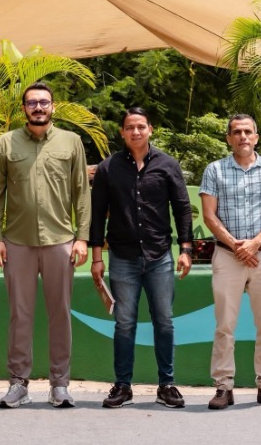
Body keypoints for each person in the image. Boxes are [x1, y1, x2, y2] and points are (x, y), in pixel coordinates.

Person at [0, 81, 91, 409]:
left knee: (60, 313)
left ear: (53, 106)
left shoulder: (71, 142)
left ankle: (60, 384)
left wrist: (83, 237)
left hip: (61, 241)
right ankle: (18, 383)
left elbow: (81, 193)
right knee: (20, 314)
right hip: (17, 243)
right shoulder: (6, 144)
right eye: (32, 103)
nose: (38, 108)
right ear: (24, 109)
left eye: (44, 102)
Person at [89, 107, 194, 409]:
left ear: (150, 129)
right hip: (122, 258)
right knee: (124, 324)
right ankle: (123, 385)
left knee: (164, 321)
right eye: (129, 127)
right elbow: (97, 215)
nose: (135, 132)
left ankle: (167, 385)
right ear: (122, 132)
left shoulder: (167, 164)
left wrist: (185, 250)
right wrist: (97, 258)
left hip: (160, 256)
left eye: (141, 126)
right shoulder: (108, 168)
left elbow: (182, 208)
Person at [199, 114, 261, 410]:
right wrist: (236, 245)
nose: (242, 137)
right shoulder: (214, 170)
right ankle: (223, 387)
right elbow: (209, 216)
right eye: (236, 132)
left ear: (256, 137)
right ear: (228, 138)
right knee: (225, 325)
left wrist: (253, 243)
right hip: (228, 257)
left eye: (248, 131)